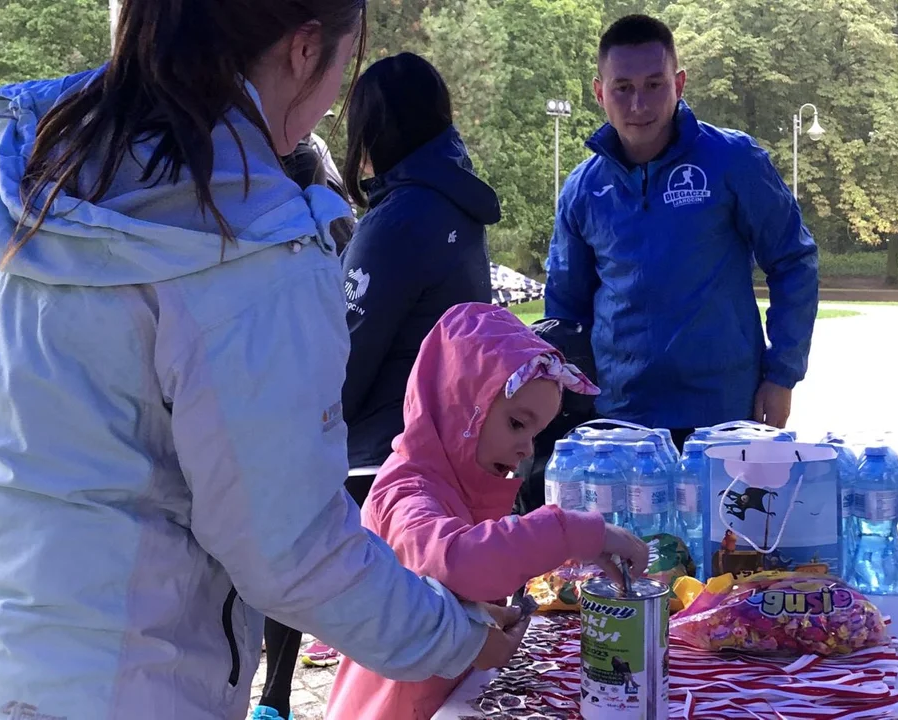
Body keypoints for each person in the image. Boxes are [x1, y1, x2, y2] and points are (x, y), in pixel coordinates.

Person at [0, 2, 528, 719]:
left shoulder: (6, 144)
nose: (330, 111)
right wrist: (457, 635)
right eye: (342, 66)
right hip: (139, 681)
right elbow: (294, 552)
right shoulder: (259, 242)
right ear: (303, 51)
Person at [256, 52, 497, 716]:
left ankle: (274, 701)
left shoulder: (399, 221)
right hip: (438, 450)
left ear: (377, 127)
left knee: (306, 570)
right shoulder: (457, 206)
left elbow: (344, 358)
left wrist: (298, 428)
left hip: (378, 464)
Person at [325, 303, 649, 720]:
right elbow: (455, 562)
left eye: (536, 432)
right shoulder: (406, 490)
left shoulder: (460, 488)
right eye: (518, 424)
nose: (528, 448)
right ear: (460, 405)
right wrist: (573, 532)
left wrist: (482, 626)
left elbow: (446, 596)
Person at [544, 14, 819, 452]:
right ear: (600, 92)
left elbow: (793, 261)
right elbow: (565, 308)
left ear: (680, 84)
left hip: (724, 417)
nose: (639, 104)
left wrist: (781, 374)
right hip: (619, 423)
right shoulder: (583, 188)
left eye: (654, 84)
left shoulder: (733, 161)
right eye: (623, 88)